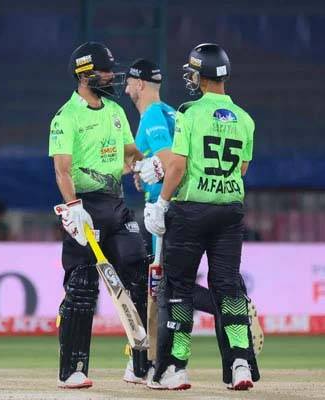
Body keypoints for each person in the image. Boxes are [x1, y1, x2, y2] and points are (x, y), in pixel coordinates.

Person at [125, 58, 263, 384]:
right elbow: (241, 169)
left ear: (202, 76)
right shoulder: (245, 118)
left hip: (190, 210)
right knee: (228, 286)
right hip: (230, 212)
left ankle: (175, 366)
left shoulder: (189, 112)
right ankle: (239, 364)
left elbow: (177, 166)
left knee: (177, 288)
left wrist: (161, 202)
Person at [49, 41, 150, 389]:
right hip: (84, 209)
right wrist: (73, 209)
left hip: (116, 206)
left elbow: (130, 153)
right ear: (84, 75)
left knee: (138, 273)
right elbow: (62, 170)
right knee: (81, 288)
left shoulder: (115, 111)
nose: (110, 76)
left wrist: (147, 164)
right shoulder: (66, 117)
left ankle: (139, 365)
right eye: (104, 71)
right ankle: (72, 370)